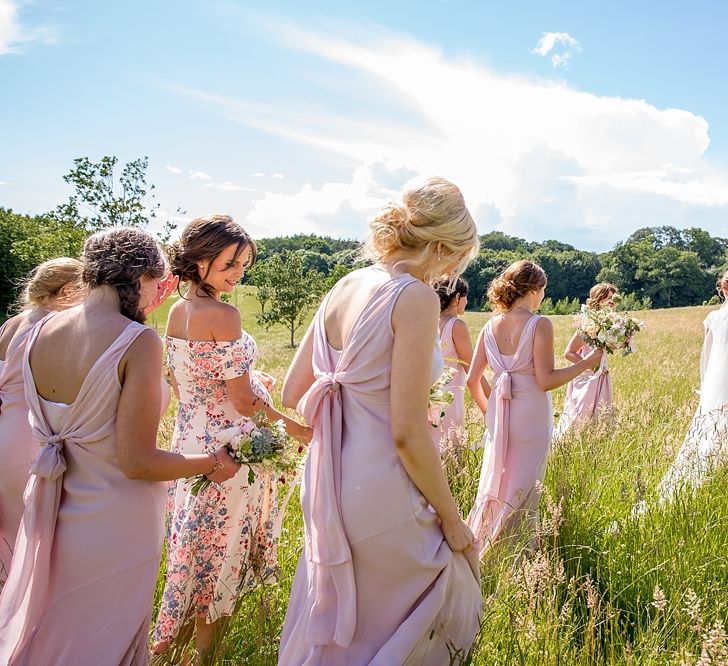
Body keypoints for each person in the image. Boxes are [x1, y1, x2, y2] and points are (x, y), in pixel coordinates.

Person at [0, 227, 239, 665]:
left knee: (53, 634)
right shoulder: (137, 340)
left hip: (50, 508)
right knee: (104, 642)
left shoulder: (39, 331)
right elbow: (137, 461)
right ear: (141, 276)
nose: (155, 297)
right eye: (156, 283)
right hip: (114, 520)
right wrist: (212, 462)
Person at [279, 177, 483, 665]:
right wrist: (453, 520)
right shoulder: (413, 297)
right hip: (382, 487)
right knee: (440, 599)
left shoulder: (345, 285)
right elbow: (407, 432)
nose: (454, 269)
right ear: (437, 245)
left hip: (327, 480)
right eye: (457, 255)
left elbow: (291, 390)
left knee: (349, 626)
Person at [152, 215, 312, 663]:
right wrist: (295, 428)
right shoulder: (223, 314)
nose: (238, 273)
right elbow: (241, 402)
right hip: (228, 450)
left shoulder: (178, 312)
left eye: (243, 264)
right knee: (221, 557)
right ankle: (204, 658)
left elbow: (191, 385)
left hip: (190, 445)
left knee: (195, 553)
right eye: (229, 263)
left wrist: (248, 383)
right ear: (199, 260)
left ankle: (175, 655)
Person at [466, 260, 602, 557]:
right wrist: (585, 365)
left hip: (500, 417)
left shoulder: (489, 326)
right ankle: (517, 553)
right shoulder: (540, 323)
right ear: (535, 290)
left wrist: (492, 414)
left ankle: (487, 543)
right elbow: (545, 380)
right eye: (543, 290)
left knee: (498, 480)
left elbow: (472, 379)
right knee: (526, 485)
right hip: (531, 417)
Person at [0, 258, 86, 582]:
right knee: (30, 550)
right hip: (30, 443)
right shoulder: (54, 329)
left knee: (6, 541)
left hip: (4, 435)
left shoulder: (13, 323)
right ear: (68, 291)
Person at [659, 271, 728, 501]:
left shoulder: (713, 318)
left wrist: (706, 385)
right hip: (719, 381)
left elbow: (707, 358)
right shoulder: (714, 318)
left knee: (711, 428)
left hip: (716, 381)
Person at [552, 283, 618, 441]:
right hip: (586, 377)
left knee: (600, 418)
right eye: (609, 299)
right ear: (599, 299)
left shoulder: (608, 324)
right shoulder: (588, 324)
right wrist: (589, 365)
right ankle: (558, 447)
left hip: (602, 375)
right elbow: (568, 352)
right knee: (578, 418)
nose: (612, 303)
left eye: (614, 299)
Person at [430, 278, 476, 451]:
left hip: (430, 397)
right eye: (465, 296)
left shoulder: (431, 322)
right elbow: (471, 369)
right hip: (449, 398)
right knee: (453, 452)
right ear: (457, 298)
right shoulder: (456, 325)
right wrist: (490, 400)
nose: (467, 301)